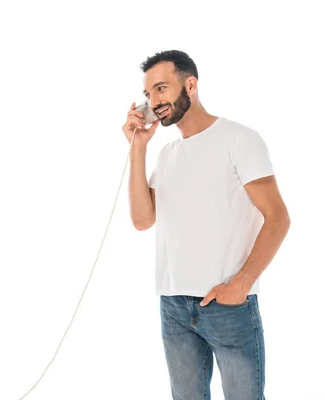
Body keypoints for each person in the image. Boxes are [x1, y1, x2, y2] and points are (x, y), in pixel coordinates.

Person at [123, 50, 290, 399]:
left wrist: (241, 284)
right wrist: (138, 148)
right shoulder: (168, 154)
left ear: (191, 85)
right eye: (149, 93)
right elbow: (142, 220)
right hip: (173, 306)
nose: (154, 101)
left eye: (162, 88)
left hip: (227, 305)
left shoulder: (239, 140)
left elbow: (278, 217)